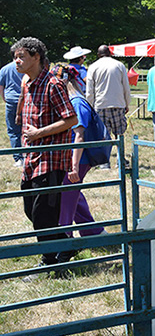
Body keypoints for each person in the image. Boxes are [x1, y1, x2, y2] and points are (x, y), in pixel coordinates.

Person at [12, 37, 79, 268]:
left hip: (51, 159)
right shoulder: (27, 83)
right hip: (31, 158)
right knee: (31, 210)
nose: (17, 61)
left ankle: (49, 262)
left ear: (36, 57)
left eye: (21, 56)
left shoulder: (54, 84)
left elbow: (71, 119)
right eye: (15, 57)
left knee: (44, 214)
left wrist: (39, 133)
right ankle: (65, 244)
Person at [52, 64, 106, 239]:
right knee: (73, 194)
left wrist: (73, 167)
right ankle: (93, 232)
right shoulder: (72, 101)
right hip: (73, 158)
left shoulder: (76, 102)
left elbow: (79, 136)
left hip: (79, 159)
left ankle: (65, 239)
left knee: (65, 200)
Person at [85, 44, 131, 167]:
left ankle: (104, 162)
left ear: (98, 55)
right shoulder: (119, 65)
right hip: (118, 103)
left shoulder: (93, 66)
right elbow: (126, 86)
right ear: (110, 53)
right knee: (119, 134)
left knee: (103, 135)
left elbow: (90, 91)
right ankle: (120, 160)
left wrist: (89, 107)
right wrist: (127, 103)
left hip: (100, 104)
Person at [0, 59, 24, 167]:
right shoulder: (27, 68)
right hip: (25, 101)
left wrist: (5, 99)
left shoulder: (4, 69)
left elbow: (1, 88)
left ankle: (18, 158)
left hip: (11, 102)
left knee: (13, 131)